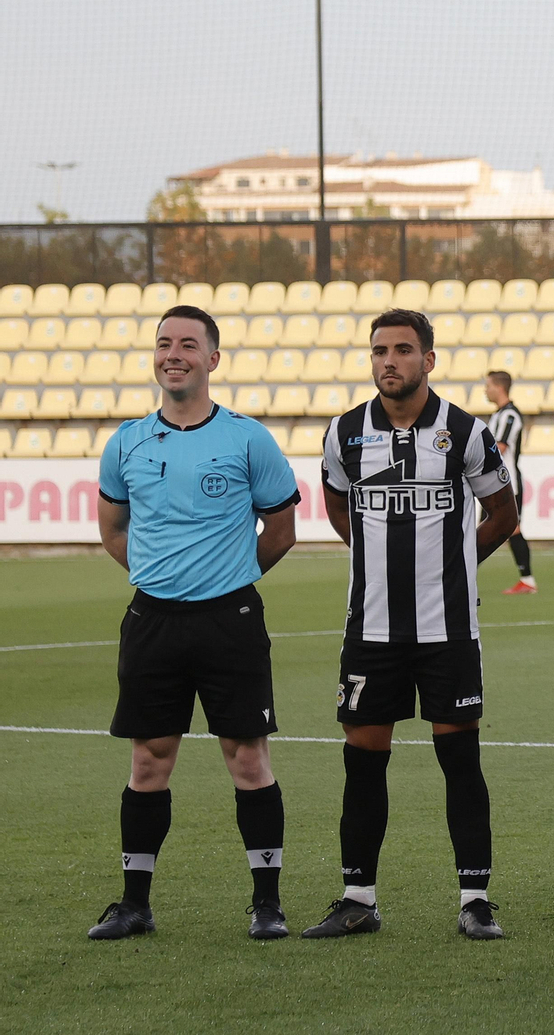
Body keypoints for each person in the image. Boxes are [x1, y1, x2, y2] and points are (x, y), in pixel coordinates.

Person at [303, 308, 520, 941]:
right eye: (379, 351)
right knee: (363, 763)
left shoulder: (466, 431)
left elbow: (503, 514)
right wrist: (377, 561)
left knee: (461, 761)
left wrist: (454, 568)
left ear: (428, 359)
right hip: (370, 631)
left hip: (447, 630)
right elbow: (338, 508)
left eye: (402, 350)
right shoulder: (345, 433)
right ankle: (357, 899)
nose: (389, 361)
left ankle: (475, 901)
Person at [91, 304, 300, 941]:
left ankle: (267, 905)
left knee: (247, 759)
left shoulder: (247, 438)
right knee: (149, 761)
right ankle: (135, 905)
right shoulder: (126, 441)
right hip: (152, 621)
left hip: (229, 620)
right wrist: (160, 577)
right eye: (164, 343)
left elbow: (281, 530)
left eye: (187, 344)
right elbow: (113, 530)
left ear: (212, 358)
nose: (173, 354)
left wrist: (226, 577)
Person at [485, 370, 538, 595]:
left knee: (510, 529)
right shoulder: (498, 415)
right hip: (492, 483)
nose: (485, 390)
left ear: (499, 388)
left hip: (508, 484)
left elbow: (501, 447)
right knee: (485, 530)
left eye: (488, 385)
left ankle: (527, 580)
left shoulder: (510, 415)